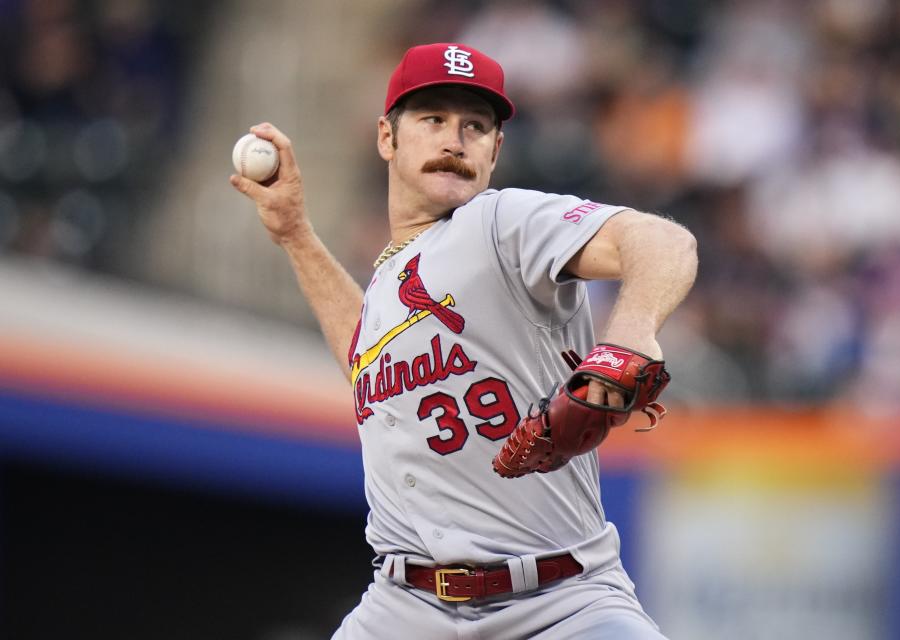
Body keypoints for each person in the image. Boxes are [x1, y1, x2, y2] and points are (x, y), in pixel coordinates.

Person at [231, 42, 697, 640]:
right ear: (387, 138)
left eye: (475, 126)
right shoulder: (393, 279)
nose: (455, 139)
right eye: (433, 120)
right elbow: (370, 360)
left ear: (496, 151)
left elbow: (662, 242)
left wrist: (630, 334)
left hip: (559, 604)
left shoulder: (501, 225)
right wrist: (296, 234)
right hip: (404, 607)